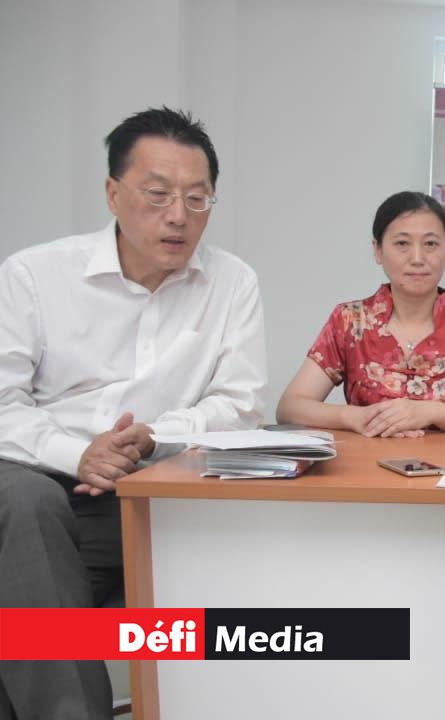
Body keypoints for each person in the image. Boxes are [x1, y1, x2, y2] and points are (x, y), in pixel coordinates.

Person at [0, 107, 266, 719]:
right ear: (113, 193)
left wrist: (154, 437)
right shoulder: (35, 275)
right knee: (25, 505)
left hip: (151, 492)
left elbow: (242, 405)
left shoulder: (232, 283)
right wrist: (78, 454)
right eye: (158, 194)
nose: (179, 215)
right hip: (36, 484)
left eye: (197, 198)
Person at [276, 191, 445, 437]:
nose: (417, 258)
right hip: (365, 461)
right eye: (402, 243)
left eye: (430, 244)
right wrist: (354, 417)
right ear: (378, 250)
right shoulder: (351, 320)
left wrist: (435, 413)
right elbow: (290, 408)